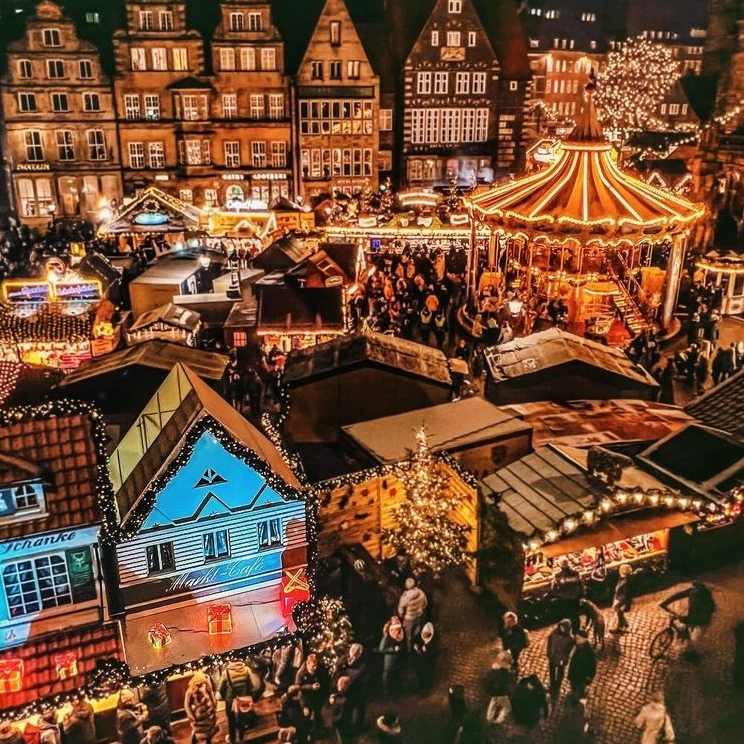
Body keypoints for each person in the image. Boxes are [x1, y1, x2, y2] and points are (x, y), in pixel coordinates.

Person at [660, 579, 716, 661]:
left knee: (695, 639)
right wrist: (665, 603)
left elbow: (708, 610)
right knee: (685, 628)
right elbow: (678, 595)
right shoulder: (693, 591)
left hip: (702, 621)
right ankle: (686, 643)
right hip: (693, 617)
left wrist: (688, 619)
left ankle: (694, 654)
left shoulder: (704, 597)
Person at [218, 660, 252, 744]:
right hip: (243, 700)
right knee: (242, 719)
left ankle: (232, 739)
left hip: (230, 701)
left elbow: (221, 689)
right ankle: (241, 738)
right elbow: (250, 685)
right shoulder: (247, 669)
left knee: (231, 720)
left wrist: (222, 697)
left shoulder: (226, 672)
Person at [336, 642, 368, 728]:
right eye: (352, 651)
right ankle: (345, 723)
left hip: (358, 687)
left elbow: (360, 672)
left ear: (360, 654)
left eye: (356, 653)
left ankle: (359, 724)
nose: (353, 654)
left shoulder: (363, 661)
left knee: (359, 706)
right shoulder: (344, 658)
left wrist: (348, 677)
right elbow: (339, 667)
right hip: (348, 687)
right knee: (348, 705)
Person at [294, 652, 327, 732]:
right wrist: (310, 687)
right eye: (313, 666)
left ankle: (318, 729)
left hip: (317, 697)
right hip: (306, 699)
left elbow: (325, 680)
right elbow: (298, 686)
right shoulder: (300, 673)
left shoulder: (319, 669)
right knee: (307, 717)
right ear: (308, 664)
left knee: (318, 714)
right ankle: (307, 733)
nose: (315, 668)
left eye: (316, 665)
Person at [184, 671, 218, 744]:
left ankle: (208, 740)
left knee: (209, 730)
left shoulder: (206, 685)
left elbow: (211, 693)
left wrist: (214, 704)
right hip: (198, 717)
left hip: (209, 714)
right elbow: (186, 705)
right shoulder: (190, 691)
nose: (201, 685)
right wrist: (191, 716)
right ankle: (196, 740)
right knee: (201, 732)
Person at [550, 558, 584, 631]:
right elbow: (581, 585)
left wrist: (559, 595)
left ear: (560, 566)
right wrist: (580, 596)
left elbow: (553, 589)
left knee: (565, 615)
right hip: (575, 598)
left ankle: (567, 630)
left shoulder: (557, 576)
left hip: (563, 599)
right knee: (575, 615)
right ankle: (576, 630)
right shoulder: (576, 573)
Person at [546, 618, 575, 701]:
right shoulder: (554, 633)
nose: (561, 628)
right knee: (551, 670)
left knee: (560, 672)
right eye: (560, 626)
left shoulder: (570, 639)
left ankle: (557, 685)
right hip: (552, 656)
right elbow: (549, 641)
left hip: (561, 658)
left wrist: (565, 659)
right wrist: (548, 652)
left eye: (563, 627)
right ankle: (552, 684)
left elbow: (569, 651)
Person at [483, 650, 514, 725]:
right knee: (507, 708)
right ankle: (498, 721)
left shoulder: (494, 670)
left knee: (494, 701)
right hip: (500, 693)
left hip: (494, 692)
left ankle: (489, 717)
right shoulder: (502, 674)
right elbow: (505, 683)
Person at [397, 577, 428, 651]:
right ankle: (417, 645)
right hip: (418, 616)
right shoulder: (420, 592)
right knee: (417, 631)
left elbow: (401, 607)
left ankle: (409, 650)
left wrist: (401, 615)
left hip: (409, 618)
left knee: (408, 635)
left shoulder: (406, 596)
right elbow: (425, 603)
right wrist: (420, 610)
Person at [378, 616, 405, 698]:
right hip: (389, 662)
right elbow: (382, 649)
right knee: (387, 678)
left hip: (398, 661)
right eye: (395, 630)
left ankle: (395, 693)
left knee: (396, 677)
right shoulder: (386, 637)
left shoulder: (401, 637)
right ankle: (386, 694)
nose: (397, 632)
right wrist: (393, 649)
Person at [567, 629, 597, 698]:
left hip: (582, 676)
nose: (576, 639)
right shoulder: (578, 646)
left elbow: (593, 665)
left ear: (584, 639)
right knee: (574, 686)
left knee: (579, 691)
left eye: (578, 638)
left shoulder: (589, 651)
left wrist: (590, 677)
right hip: (575, 673)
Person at [412, 621, 438, 693]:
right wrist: (416, 648)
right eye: (424, 634)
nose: (425, 636)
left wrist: (426, 651)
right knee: (419, 676)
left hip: (427, 663)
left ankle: (425, 690)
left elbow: (434, 654)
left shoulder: (433, 642)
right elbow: (415, 643)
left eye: (427, 634)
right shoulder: (419, 638)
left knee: (426, 677)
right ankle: (420, 688)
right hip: (420, 663)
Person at [329, 676, 354, 744]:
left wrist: (333, 720)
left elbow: (341, 717)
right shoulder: (347, 694)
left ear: (344, 686)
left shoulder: (344, 701)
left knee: (342, 739)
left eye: (339, 684)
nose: (337, 685)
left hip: (341, 724)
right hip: (346, 722)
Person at [611, 564, 633, 634]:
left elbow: (625, 594)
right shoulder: (623, 579)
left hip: (621, 600)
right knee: (619, 613)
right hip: (619, 597)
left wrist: (619, 603)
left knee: (619, 612)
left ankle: (620, 626)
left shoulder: (626, 582)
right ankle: (624, 624)